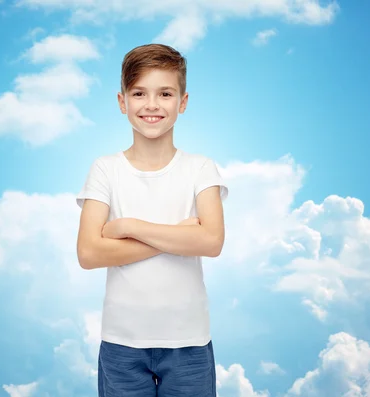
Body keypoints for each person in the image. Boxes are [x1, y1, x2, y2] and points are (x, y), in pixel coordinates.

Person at [76, 43, 228, 397]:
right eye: (139, 93)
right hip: (121, 343)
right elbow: (88, 253)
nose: (152, 104)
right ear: (122, 101)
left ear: (183, 102)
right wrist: (178, 235)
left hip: (189, 342)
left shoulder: (201, 169)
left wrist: (128, 227)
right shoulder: (105, 169)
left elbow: (211, 242)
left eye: (165, 93)